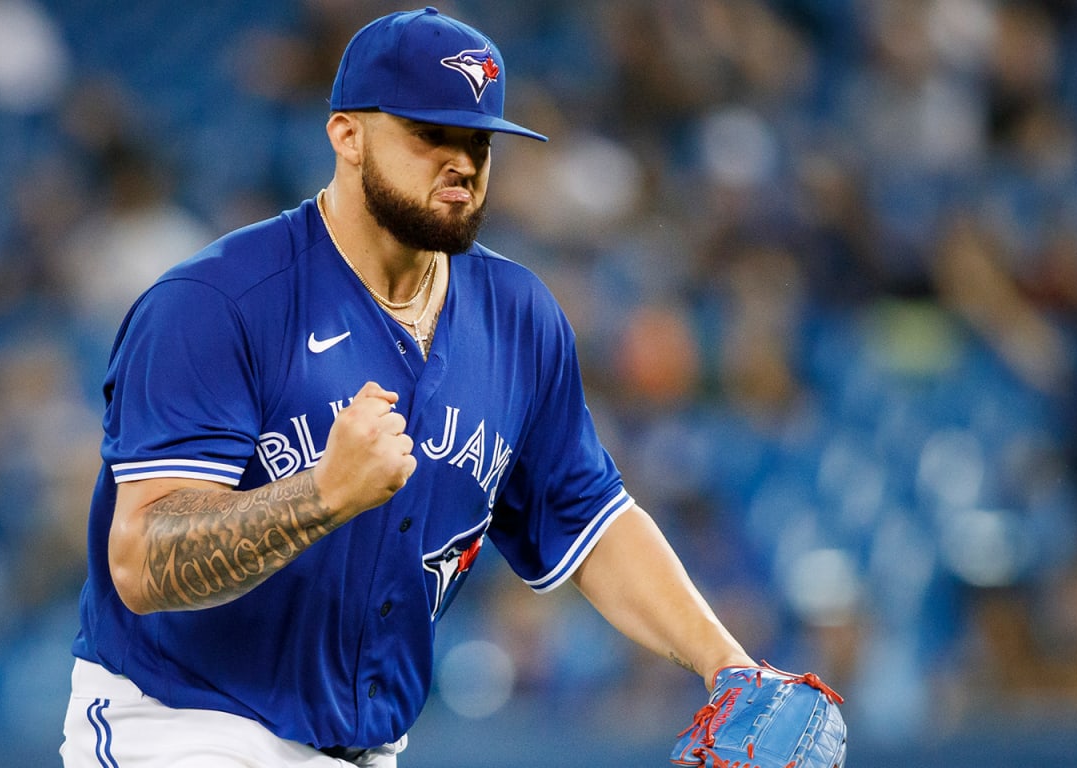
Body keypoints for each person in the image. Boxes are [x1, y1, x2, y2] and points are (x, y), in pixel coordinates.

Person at [61, 7, 762, 766]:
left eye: (479, 140)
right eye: (431, 134)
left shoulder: (519, 318)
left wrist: (727, 666)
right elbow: (140, 561)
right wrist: (321, 494)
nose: (462, 161)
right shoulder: (218, 303)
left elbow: (591, 524)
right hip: (184, 722)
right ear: (347, 135)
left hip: (370, 746)